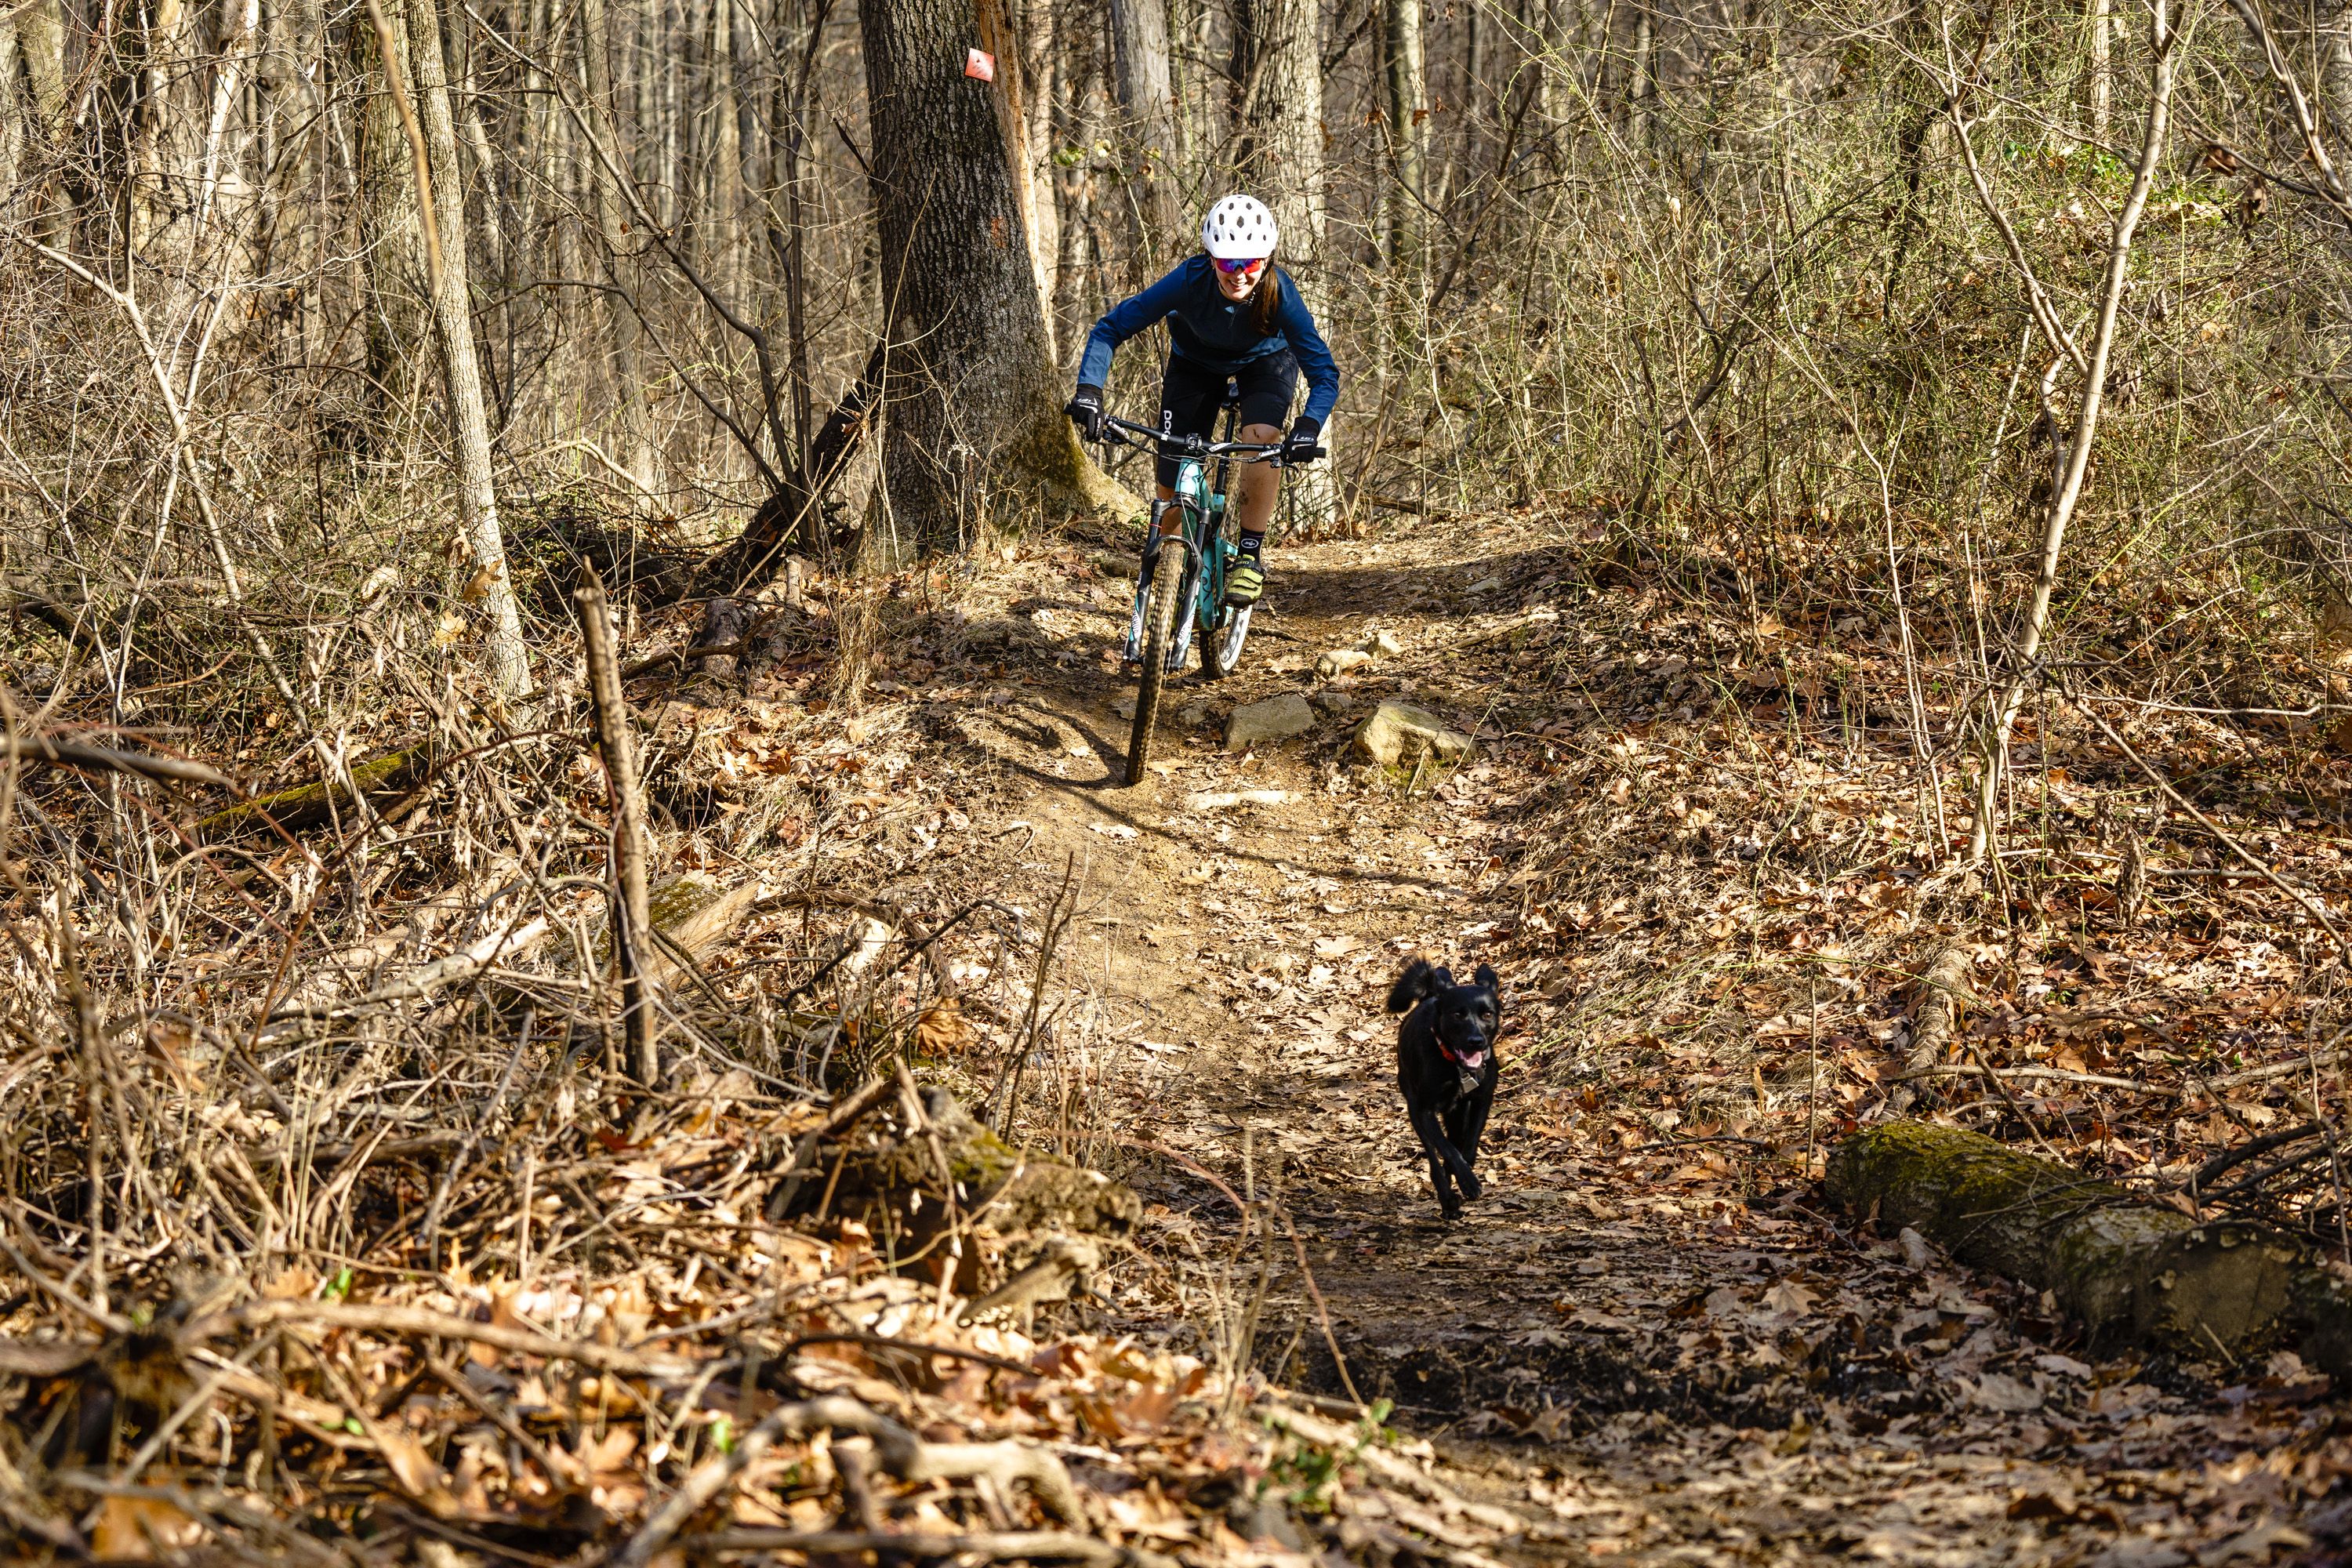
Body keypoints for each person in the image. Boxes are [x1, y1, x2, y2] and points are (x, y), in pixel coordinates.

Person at [1066, 194, 1339, 612]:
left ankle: (1249, 556)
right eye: (1229, 263)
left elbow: (1324, 374)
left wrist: (1308, 426)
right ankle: (1163, 585)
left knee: (1262, 439)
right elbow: (1110, 329)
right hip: (1194, 365)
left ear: (1266, 260)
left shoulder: (1280, 294)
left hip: (1265, 364)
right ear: (1211, 259)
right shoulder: (1188, 281)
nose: (1240, 274)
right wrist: (1090, 391)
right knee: (1170, 492)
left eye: (1250, 262)